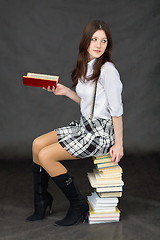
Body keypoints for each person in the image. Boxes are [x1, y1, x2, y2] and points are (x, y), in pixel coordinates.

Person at [26, 19, 124, 226]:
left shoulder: (108, 70)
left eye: (103, 41)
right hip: (84, 125)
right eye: (94, 39)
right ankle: (43, 201)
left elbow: (116, 110)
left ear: (108, 45)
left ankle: (77, 204)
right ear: (85, 42)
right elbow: (90, 103)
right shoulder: (87, 66)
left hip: (100, 133)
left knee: (46, 155)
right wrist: (65, 91)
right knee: (36, 144)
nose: (98, 45)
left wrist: (119, 144)